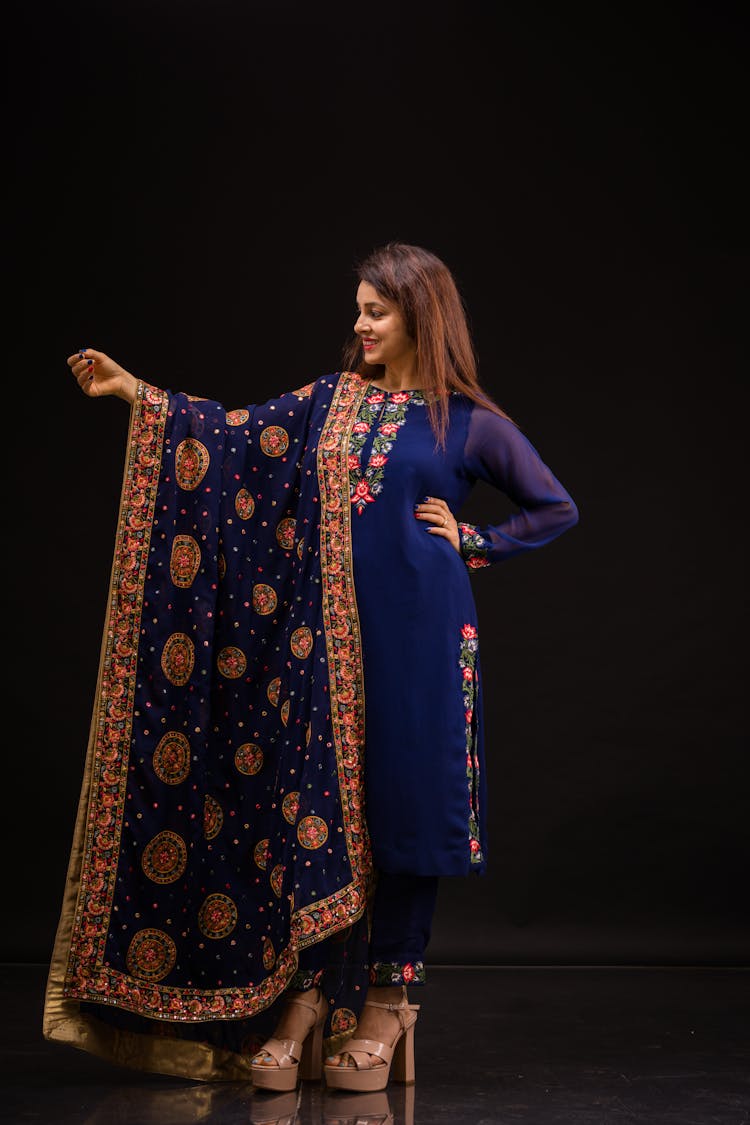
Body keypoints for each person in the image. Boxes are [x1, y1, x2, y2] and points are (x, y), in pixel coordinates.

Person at [44, 241, 578, 1095]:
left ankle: (391, 1000)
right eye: (359, 308)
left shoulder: (465, 420)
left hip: (423, 640)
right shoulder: (329, 404)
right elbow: (233, 437)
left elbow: (556, 506)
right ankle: (306, 995)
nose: (360, 325)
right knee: (324, 806)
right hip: (322, 645)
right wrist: (139, 394)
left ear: (420, 315)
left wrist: (474, 539)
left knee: (405, 808)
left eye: (377, 311)